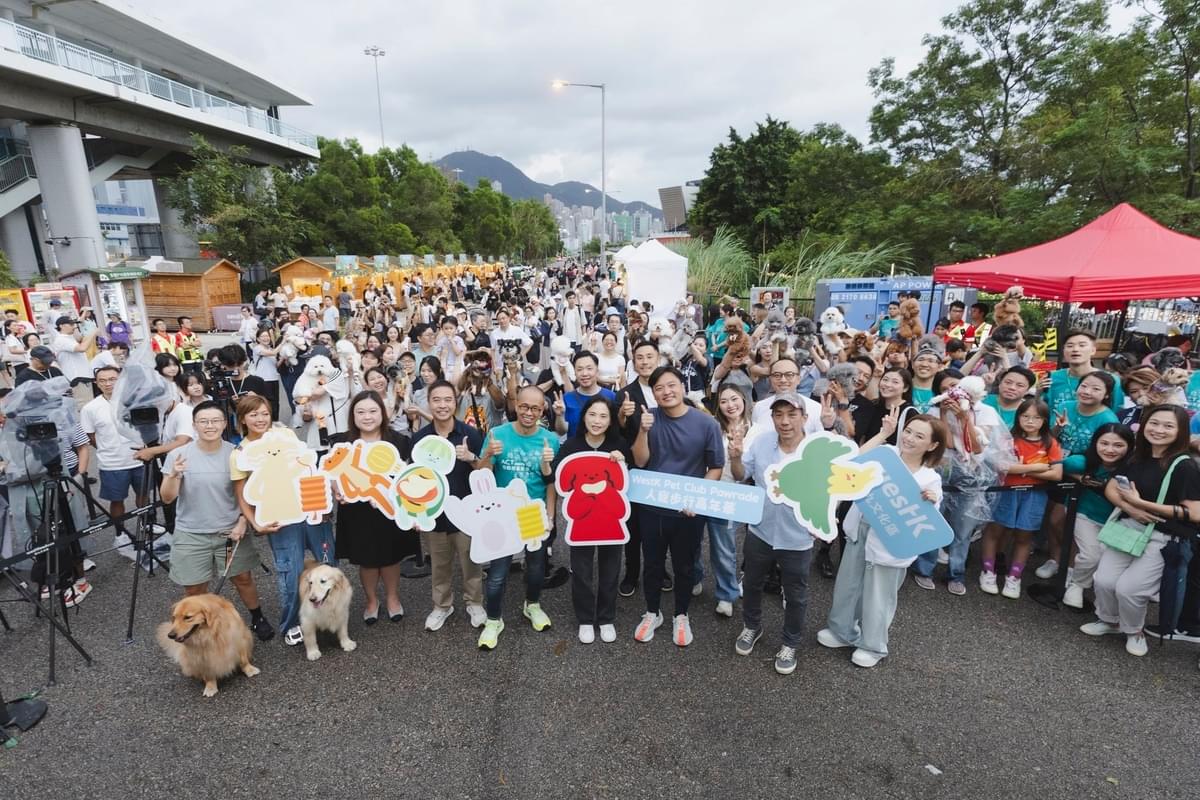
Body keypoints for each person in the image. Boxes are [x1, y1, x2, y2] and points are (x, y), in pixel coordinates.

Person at [817, 411, 947, 668]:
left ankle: (873, 645)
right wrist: (883, 433)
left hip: (892, 541)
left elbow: (929, 519)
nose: (909, 438)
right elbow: (853, 462)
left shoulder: (930, 477)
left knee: (879, 595)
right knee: (848, 584)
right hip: (860, 530)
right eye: (908, 431)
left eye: (919, 436)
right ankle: (843, 631)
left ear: (932, 445)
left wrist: (932, 500)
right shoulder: (886, 454)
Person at [1082, 405, 1200, 657]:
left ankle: (1134, 631)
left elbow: (1196, 513)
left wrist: (1141, 504)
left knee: (1130, 589)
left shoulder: (1185, 466)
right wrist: (1129, 507)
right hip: (1128, 528)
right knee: (1103, 580)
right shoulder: (1138, 456)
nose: (1158, 430)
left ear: (1180, 431)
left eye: (1168, 426)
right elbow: (1112, 487)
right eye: (1154, 423)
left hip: (1163, 536)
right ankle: (1110, 621)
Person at [161, 400, 273, 640]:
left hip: (230, 530)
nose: (209, 426)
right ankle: (198, 626)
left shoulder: (236, 454)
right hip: (191, 532)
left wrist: (244, 520)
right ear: (194, 425)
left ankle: (257, 616)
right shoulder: (177, 455)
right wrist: (173, 475)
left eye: (215, 421)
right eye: (203, 421)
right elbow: (167, 498)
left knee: (243, 578)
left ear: (225, 424)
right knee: (194, 587)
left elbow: (248, 494)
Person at [231, 394, 337, 647]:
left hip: (311, 511)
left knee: (328, 564)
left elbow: (308, 469)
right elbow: (241, 494)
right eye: (253, 414)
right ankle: (292, 622)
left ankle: (329, 616)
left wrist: (322, 501)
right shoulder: (241, 453)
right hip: (280, 519)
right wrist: (255, 522)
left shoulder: (286, 435)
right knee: (291, 572)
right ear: (242, 419)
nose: (260, 419)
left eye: (264, 413)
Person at [631, 366, 724, 647]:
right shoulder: (649, 418)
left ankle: (681, 615)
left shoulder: (707, 424)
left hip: (689, 511)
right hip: (652, 508)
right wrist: (643, 431)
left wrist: (697, 497)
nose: (666, 392)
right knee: (653, 565)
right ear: (654, 393)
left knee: (685, 565)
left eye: (671, 385)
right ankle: (652, 612)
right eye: (659, 388)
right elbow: (640, 461)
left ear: (682, 387)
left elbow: (716, 467)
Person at [728, 392, 816, 674]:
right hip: (760, 529)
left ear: (804, 417)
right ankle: (751, 626)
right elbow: (742, 474)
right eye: (778, 415)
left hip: (799, 536)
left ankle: (790, 642)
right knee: (752, 583)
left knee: (795, 592)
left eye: (792, 415)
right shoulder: (764, 441)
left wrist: (823, 524)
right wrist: (736, 456)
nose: (784, 421)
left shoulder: (816, 449)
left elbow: (832, 489)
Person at [473, 385, 559, 650]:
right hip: (502, 515)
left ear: (542, 410)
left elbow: (550, 483)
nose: (529, 412)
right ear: (515, 406)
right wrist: (488, 454)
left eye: (535, 408)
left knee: (535, 567)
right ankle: (494, 619)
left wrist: (551, 515)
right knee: (498, 573)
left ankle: (532, 604)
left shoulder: (550, 439)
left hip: (532, 512)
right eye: (524, 406)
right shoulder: (497, 434)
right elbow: (480, 474)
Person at [551, 396, 632, 644]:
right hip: (581, 522)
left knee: (610, 569)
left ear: (611, 421)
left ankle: (606, 617)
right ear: (584, 416)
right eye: (592, 415)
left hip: (611, 521)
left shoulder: (619, 444)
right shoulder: (571, 446)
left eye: (603, 416)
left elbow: (628, 481)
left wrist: (623, 461)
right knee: (583, 570)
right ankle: (586, 619)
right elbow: (557, 477)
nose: (597, 421)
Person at [413, 380, 487, 632]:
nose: (442, 405)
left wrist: (472, 458)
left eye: (448, 400)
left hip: (466, 512)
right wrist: (415, 513)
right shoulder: (420, 439)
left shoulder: (470, 434)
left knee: (471, 562)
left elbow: (485, 472)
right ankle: (442, 606)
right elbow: (413, 480)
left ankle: (474, 602)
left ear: (456, 403)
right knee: (439, 564)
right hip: (434, 515)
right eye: (437, 400)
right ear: (429, 403)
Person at [978, 399, 1063, 599]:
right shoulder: (1008, 438)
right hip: (1006, 491)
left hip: (1035, 494)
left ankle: (1014, 576)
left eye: (1037, 417)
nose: (1030, 421)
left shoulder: (1051, 442)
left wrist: (1020, 470)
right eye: (1025, 416)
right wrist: (1036, 468)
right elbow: (1002, 466)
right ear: (1018, 417)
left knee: (1025, 534)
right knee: (995, 529)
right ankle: (988, 571)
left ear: (1044, 420)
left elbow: (1057, 474)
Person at [1061, 424, 1135, 610]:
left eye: (1118, 445)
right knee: (1091, 554)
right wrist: (1079, 477)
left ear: (1129, 446)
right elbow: (1064, 463)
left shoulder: (1133, 467)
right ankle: (1077, 585)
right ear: (1095, 443)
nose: (1110, 450)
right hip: (1084, 512)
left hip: (1116, 520)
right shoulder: (1083, 461)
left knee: (1107, 558)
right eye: (1104, 443)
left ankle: (1100, 597)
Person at [703, 382, 755, 617]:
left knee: (725, 546)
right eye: (723, 401)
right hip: (706, 488)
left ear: (744, 400)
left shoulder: (757, 429)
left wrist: (738, 455)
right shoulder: (713, 427)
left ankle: (727, 594)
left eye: (734, 399)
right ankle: (695, 578)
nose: (730, 405)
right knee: (693, 541)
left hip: (735, 495)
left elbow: (744, 472)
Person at [556, 351, 616, 439]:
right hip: (575, 450)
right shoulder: (567, 398)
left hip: (603, 450)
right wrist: (559, 416)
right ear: (574, 373)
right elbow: (561, 432)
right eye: (579, 369)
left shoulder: (611, 396)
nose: (584, 374)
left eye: (589, 368)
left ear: (597, 371)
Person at [51, 315, 99, 403]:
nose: (74, 326)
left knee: (89, 404)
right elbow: (82, 348)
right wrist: (93, 333)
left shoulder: (69, 338)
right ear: (61, 326)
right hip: (77, 378)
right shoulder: (61, 339)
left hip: (83, 376)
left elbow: (80, 338)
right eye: (71, 324)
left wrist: (77, 324)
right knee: (84, 405)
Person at [250, 328, 282, 420]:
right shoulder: (257, 348)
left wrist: (283, 358)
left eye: (267, 336)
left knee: (276, 403)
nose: (266, 338)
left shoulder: (270, 349)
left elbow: (276, 365)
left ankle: (275, 422)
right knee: (266, 403)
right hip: (263, 380)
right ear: (258, 339)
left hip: (274, 379)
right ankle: (267, 423)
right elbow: (273, 353)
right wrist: (283, 342)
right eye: (263, 336)